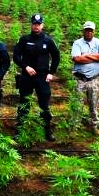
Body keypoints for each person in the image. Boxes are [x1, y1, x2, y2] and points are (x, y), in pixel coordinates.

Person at [13, 13, 61, 142]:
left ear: (42, 25)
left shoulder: (48, 40)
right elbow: (16, 56)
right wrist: (25, 67)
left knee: (44, 105)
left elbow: (56, 56)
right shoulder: (24, 39)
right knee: (24, 104)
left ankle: (47, 131)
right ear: (31, 24)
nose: (36, 26)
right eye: (34, 24)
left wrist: (51, 72)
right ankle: (20, 130)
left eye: (38, 24)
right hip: (27, 77)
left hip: (42, 78)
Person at [71, 21, 99, 135]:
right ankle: (74, 127)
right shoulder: (77, 43)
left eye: (91, 30)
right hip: (79, 79)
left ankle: (94, 126)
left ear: (94, 31)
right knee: (77, 104)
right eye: (87, 30)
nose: (88, 32)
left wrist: (85, 55)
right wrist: (95, 58)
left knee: (94, 104)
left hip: (94, 79)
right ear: (83, 31)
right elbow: (77, 59)